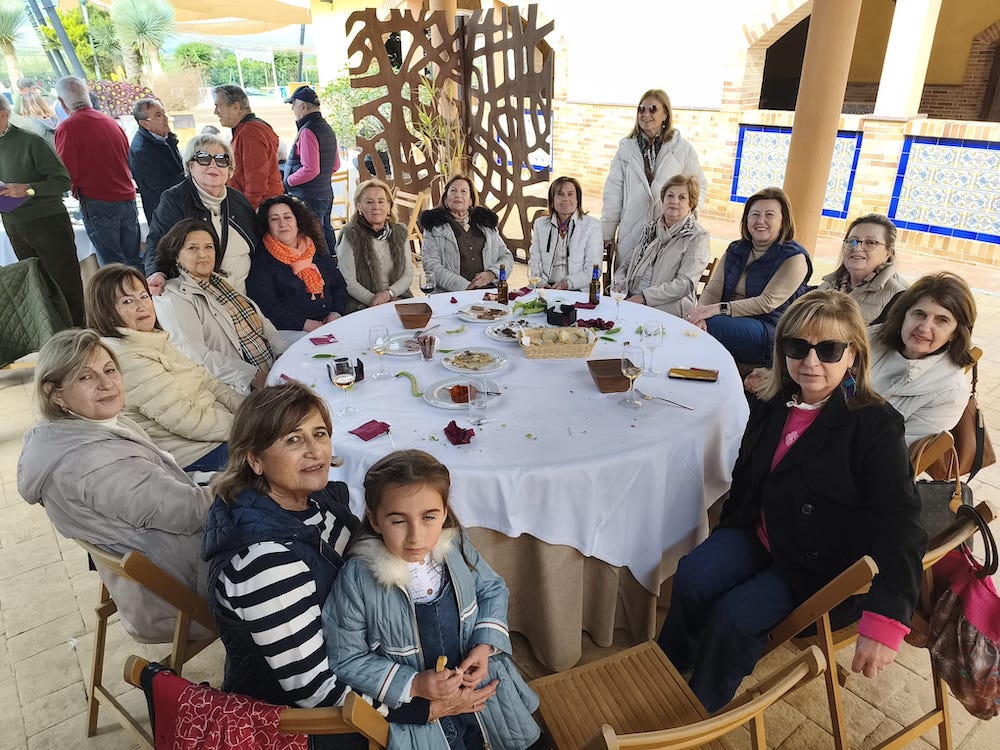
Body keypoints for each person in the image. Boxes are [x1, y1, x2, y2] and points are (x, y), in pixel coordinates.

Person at [658, 290, 926, 713]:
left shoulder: (874, 425)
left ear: (853, 356)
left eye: (829, 349)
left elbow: (902, 522)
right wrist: (728, 533)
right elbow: (748, 478)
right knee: (693, 574)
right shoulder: (774, 401)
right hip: (761, 533)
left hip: (814, 564)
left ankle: (697, 705)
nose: (810, 361)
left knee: (735, 617)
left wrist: (887, 616)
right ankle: (669, 664)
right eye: (797, 347)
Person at [201, 385, 485, 745]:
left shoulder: (313, 501)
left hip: (365, 662)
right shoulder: (265, 564)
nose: (314, 450)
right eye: (292, 440)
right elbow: (317, 692)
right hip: (315, 728)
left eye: (319, 434)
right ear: (254, 459)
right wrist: (423, 707)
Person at [324, 449, 541, 749]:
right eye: (398, 521)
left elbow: (491, 589)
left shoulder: (456, 546)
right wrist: (413, 684)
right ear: (374, 519)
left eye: (429, 517)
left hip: (481, 690)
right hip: (422, 715)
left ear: (444, 512)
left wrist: (484, 646)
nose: (416, 536)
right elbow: (346, 657)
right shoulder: (358, 579)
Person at [17, 329, 212, 643]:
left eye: (109, 370)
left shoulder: (70, 432)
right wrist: (243, 481)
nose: (106, 383)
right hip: (188, 588)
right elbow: (193, 512)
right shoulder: (94, 464)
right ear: (55, 393)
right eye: (85, 377)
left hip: (167, 569)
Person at [86, 264, 243, 472]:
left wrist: (249, 411)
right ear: (106, 313)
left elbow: (209, 382)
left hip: (220, 433)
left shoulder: (152, 339)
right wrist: (247, 426)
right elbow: (184, 419)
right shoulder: (125, 357)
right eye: (127, 301)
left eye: (144, 296)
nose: (142, 306)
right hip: (198, 453)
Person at [153, 219, 287, 394]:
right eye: (193, 248)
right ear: (176, 256)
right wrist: (253, 377)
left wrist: (283, 355)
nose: (203, 254)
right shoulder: (173, 296)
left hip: (275, 371)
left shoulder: (223, 282)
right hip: (242, 389)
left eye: (209, 247)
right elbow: (195, 354)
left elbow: (262, 323)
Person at [686, 187, 812, 366]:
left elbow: (767, 302)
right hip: (727, 320)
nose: (760, 220)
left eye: (769, 215)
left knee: (708, 327)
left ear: (783, 221)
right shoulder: (736, 249)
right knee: (690, 321)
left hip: (767, 330)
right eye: (755, 214)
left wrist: (717, 310)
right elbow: (713, 288)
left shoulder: (795, 258)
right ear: (746, 219)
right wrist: (700, 313)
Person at [0, 96, 85, 326]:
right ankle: (50, 334)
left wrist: (28, 189)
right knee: (36, 284)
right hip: (14, 225)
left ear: (3, 114)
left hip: (47, 222)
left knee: (64, 283)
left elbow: (63, 181)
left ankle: (77, 334)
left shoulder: (30, 141)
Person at [601, 89, 706, 270]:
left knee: (660, 282)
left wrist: (687, 215)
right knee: (625, 281)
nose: (645, 114)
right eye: (641, 109)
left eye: (652, 109)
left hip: (668, 234)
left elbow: (699, 185)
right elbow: (613, 192)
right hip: (631, 234)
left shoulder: (682, 149)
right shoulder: (626, 148)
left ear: (665, 114)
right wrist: (606, 232)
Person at [144, 133, 260, 296]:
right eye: (204, 158)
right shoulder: (175, 200)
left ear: (229, 169)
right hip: (200, 295)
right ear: (190, 166)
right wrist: (156, 272)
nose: (213, 165)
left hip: (245, 293)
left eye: (221, 160)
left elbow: (258, 246)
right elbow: (156, 242)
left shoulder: (238, 201)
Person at [870, 272, 976, 446]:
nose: (925, 328)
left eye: (941, 320)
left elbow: (893, 453)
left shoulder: (950, 394)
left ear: (955, 333)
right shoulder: (869, 340)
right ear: (904, 315)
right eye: (919, 314)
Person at [54, 76, 142, 269]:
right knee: (133, 260)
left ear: (62, 102)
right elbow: (127, 159)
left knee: (113, 266)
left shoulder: (68, 128)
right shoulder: (110, 122)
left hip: (98, 202)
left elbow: (66, 174)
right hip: (126, 197)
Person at [248, 195, 348, 338]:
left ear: (298, 221)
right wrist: (305, 324)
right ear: (267, 225)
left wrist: (335, 313)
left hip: (330, 321)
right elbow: (266, 307)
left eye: (288, 217)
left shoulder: (314, 248)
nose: (282, 223)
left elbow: (338, 285)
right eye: (275, 219)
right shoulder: (261, 260)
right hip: (291, 330)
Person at [613, 174, 710, 318]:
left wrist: (645, 298)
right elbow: (629, 263)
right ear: (663, 200)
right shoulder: (651, 228)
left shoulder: (698, 237)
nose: (674, 201)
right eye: (670, 196)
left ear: (691, 204)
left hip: (667, 310)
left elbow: (684, 284)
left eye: (682, 197)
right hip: (632, 300)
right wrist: (619, 284)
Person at [419, 175, 514, 293]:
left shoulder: (485, 225)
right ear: (446, 199)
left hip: (488, 291)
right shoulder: (434, 227)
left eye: (463, 191)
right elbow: (431, 266)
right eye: (453, 191)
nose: (458, 195)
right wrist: (466, 286)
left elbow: (506, 256)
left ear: (470, 201)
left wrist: (492, 274)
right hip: (451, 294)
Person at [336, 179, 414, 312]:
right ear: (359, 206)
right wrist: (375, 300)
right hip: (362, 303)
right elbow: (347, 280)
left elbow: (408, 273)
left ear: (389, 206)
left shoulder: (400, 232)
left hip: (397, 296)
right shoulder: (351, 234)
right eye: (369, 202)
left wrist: (389, 294)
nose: (376, 206)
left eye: (381, 201)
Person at [817, 214, 908, 324]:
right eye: (852, 241)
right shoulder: (829, 284)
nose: (857, 248)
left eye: (870, 242)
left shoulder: (899, 296)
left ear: (887, 253)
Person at [284, 85, 340, 254]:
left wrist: (289, 180)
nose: (293, 109)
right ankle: (335, 264)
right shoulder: (326, 128)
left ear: (303, 106)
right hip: (326, 192)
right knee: (327, 233)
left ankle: (323, 268)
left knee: (315, 239)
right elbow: (335, 165)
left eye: (293, 105)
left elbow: (310, 169)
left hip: (310, 196)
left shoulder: (307, 130)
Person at [213, 85, 283, 209]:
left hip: (259, 206)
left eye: (218, 106)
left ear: (236, 106)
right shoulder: (251, 128)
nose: (216, 112)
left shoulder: (250, 132)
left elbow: (256, 179)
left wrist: (247, 210)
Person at [528, 176, 602, 291]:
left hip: (577, 290)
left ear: (577, 200)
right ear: (552, 201)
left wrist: (568, 284)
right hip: (545, 288)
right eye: (560, 194)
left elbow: (593, 269)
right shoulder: (540, 224)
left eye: (570, 194)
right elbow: (534, 261)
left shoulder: (592, 225)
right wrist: (541, 283)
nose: (566, 199)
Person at [128, 98, 185, 223]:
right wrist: (190, 171)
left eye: (164, 112)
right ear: (145, 124)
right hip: (164, 214)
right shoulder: (141, 151)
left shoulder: (165, 137)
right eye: (159, 115)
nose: (166, 118)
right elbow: (164, 189)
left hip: (180, 207)